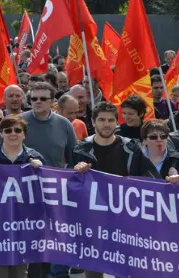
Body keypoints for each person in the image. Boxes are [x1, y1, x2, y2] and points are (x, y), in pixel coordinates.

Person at [68, 102, 158, 278]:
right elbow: (69, 186)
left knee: (124, 272)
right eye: (101, 120)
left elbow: (149, 176)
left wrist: (170, 182)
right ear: (93, 122)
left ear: (117, 122)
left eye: (110, 120)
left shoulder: (131, 148)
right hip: (92, 221)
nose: (106, 124)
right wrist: (75, 172)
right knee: (93, 272)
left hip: (124, 219)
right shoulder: (81, 149)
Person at [0, 115, 43, 278]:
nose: (13, 133)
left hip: (24, 226)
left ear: (24, 134)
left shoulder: (35, 157)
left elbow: (45, 190)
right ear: (2, 134)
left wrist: (42, 170)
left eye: (17, 130)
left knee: (20, 273)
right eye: (8, 130)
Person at [21, 82, 77, 168]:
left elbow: (73, 159)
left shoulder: (65, 124)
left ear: (51, 101)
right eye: (34, 99)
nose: (38, 101)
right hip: (25, 179)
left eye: (43, 99)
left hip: (55, 179)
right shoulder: (18, 122)